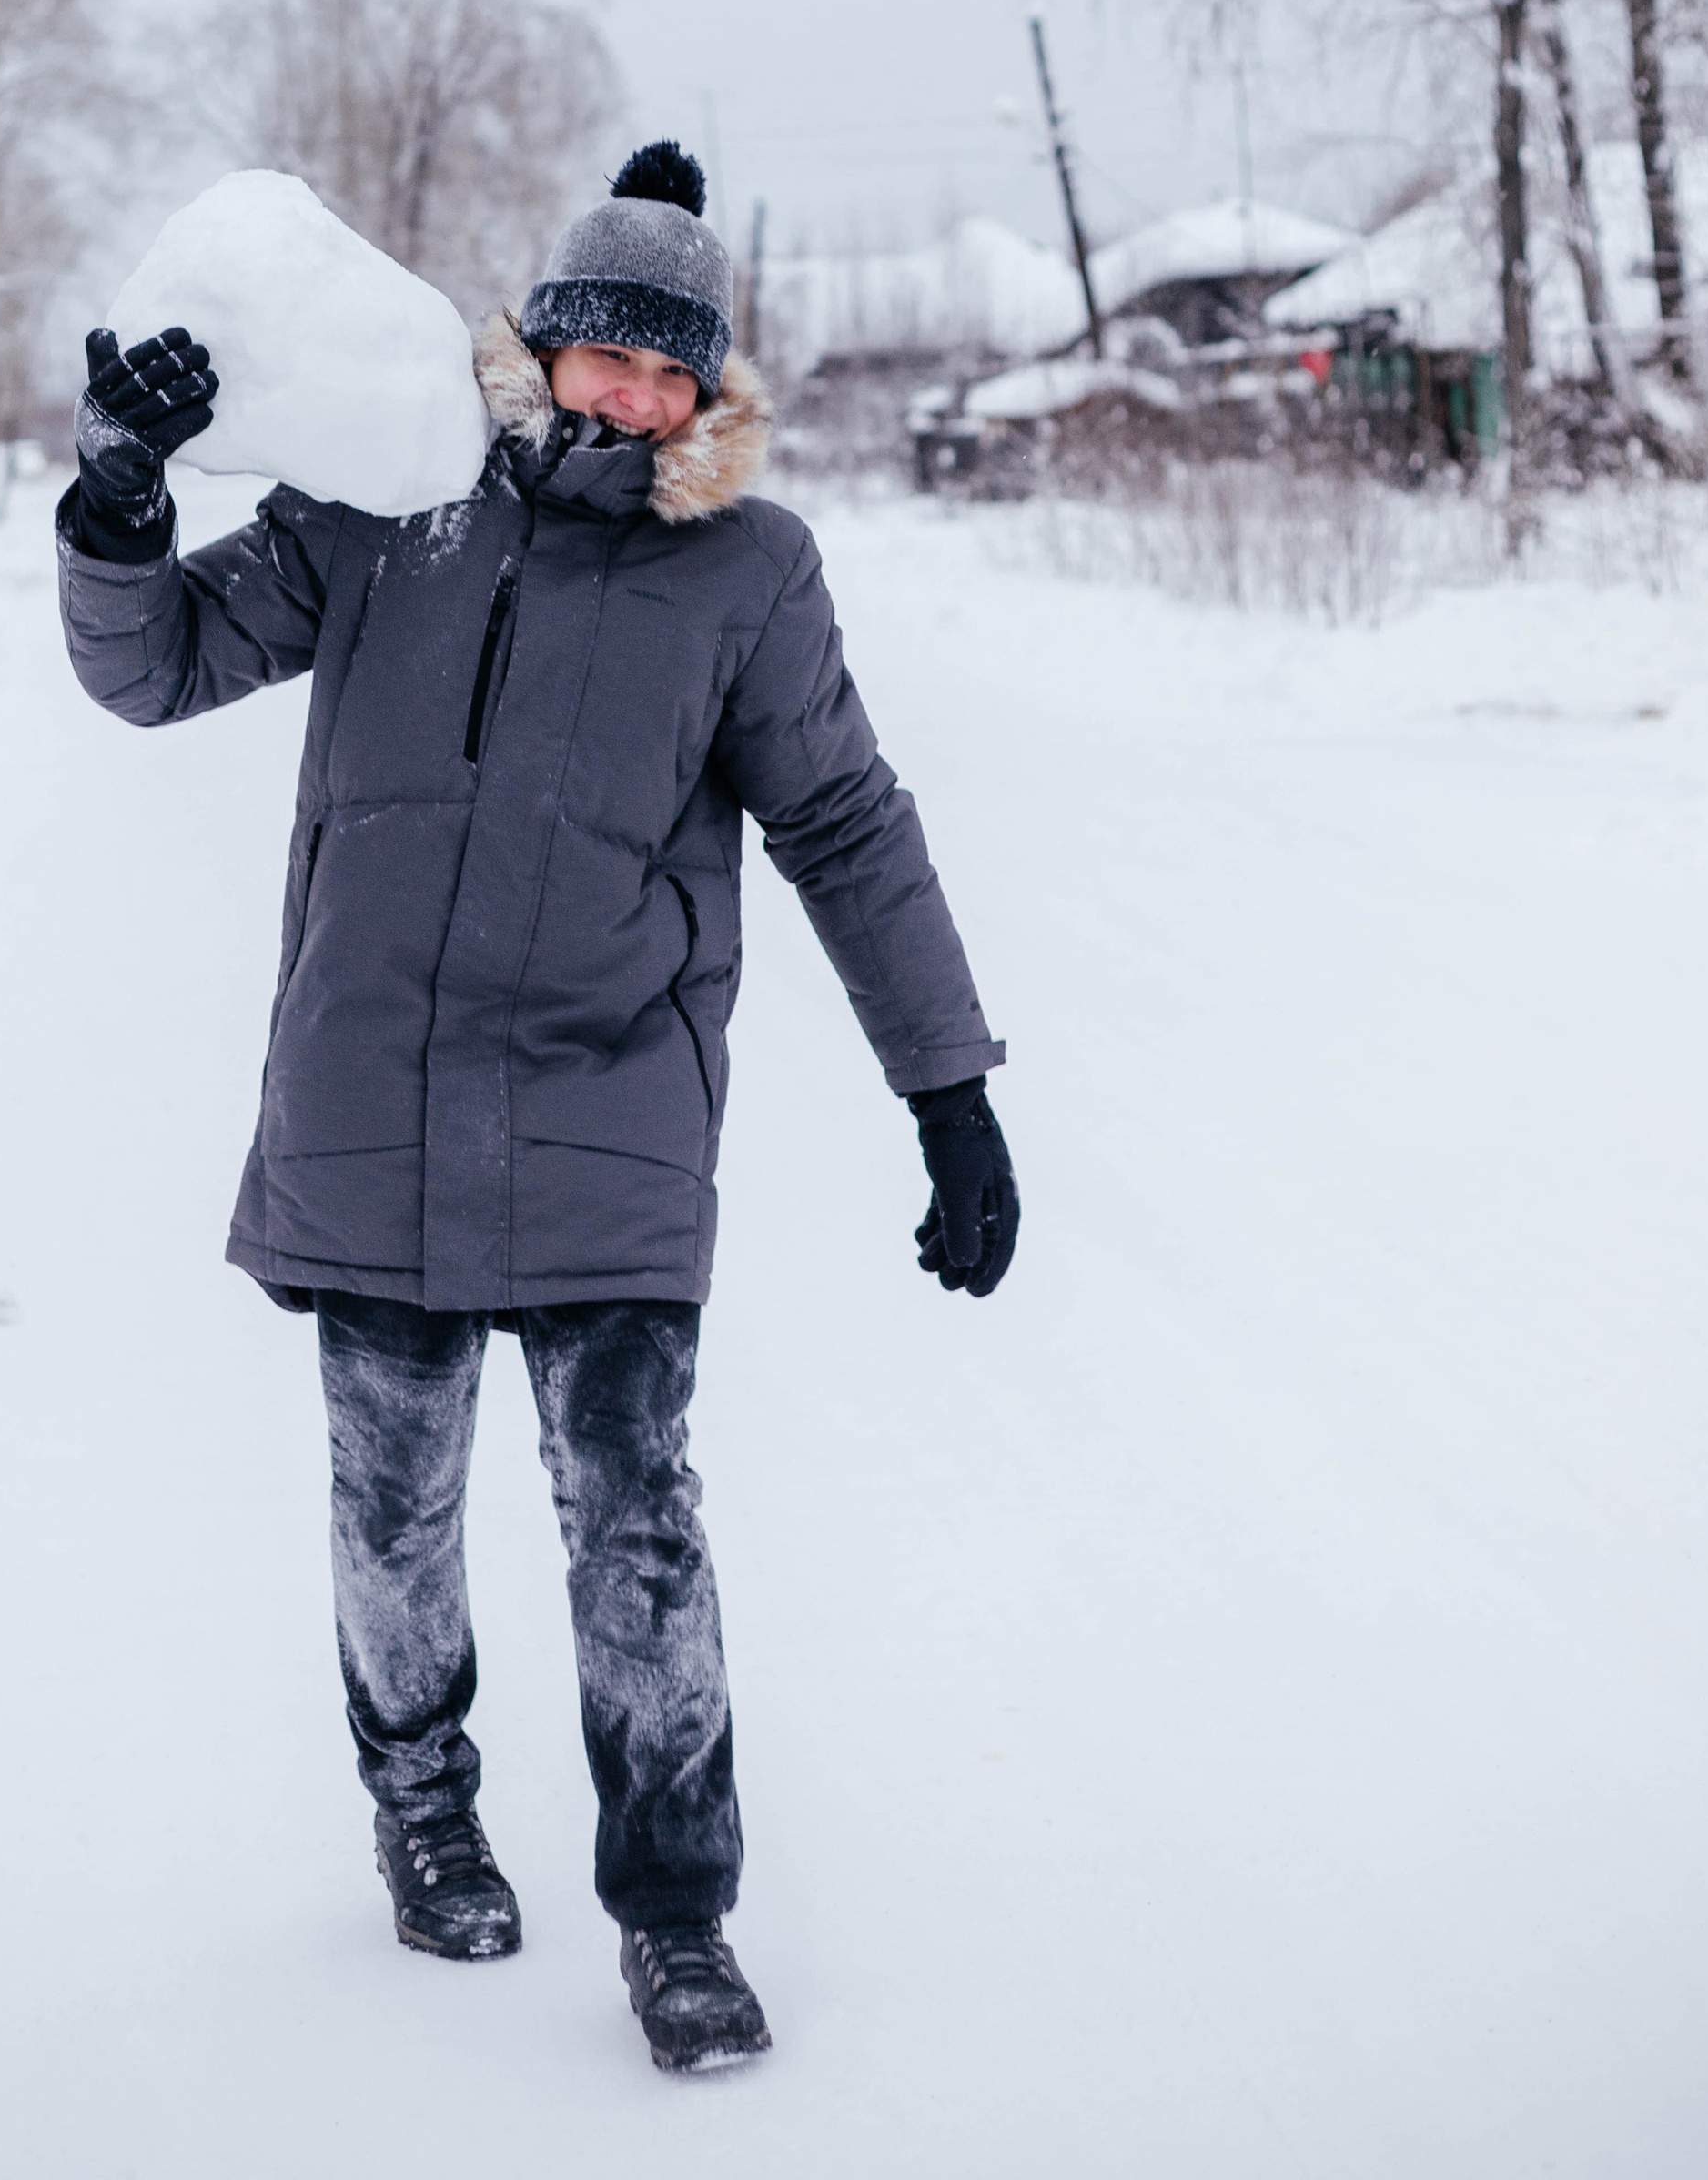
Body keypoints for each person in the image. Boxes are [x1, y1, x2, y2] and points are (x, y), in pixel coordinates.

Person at [56, 142, 1017, 2076]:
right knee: (390, 1515)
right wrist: (120, 497)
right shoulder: (388, 504)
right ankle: (421, 1812)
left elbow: (840, 820)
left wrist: (948, 1091)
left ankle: (674, 1918)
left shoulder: (747, 572)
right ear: (543, 346)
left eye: (676, 372)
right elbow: (151, 668)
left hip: (610, 1110)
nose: (635, 398)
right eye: (606, 357)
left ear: (711, 389)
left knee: (636, 1527)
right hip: (374, 1101)